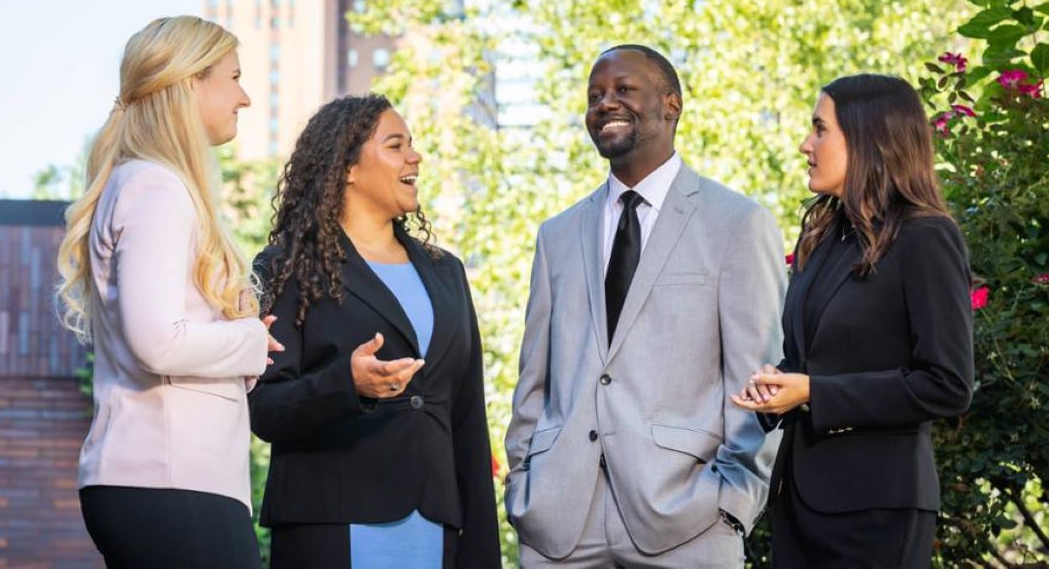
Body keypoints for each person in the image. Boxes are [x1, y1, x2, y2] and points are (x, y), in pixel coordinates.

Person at [505, 44, 785, 566]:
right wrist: (524, 487)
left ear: (671, 105)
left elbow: (757, 378)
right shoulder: (557, 236)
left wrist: (733, 500)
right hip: (560, 522)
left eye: (623, 90)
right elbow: (534, 382)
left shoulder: (737, 223)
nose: (605, 103)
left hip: (689, 519)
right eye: (595, 96)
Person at [56, 16, 279, 569]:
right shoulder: (156, 187)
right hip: (171, 482)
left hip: (166, 481)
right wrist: (248, 340)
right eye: (234, 77)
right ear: (189, 83)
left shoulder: (140, 183)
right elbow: (157, 340)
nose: (245, 97)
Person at [730, 73, 975, 568]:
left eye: (820, 129)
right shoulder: (821, 240)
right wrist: (777, 390)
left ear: (868, 138)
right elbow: (812, 358)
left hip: (876, 513)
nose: (805, 144)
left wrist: (816, 393)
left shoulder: (926, 237)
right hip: (797, 505)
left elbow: (947, 385)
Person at [248, 94, 502, 569]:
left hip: (434, 526)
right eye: (395, 145)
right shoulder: (287, 268)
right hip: (332, 523)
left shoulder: (447, 273)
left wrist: (481, 551)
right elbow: (263, 408)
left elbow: (468, 420)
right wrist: (348, 384)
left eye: (412, 145)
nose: (415, 157)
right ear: (347, 167)